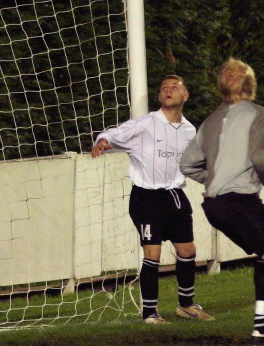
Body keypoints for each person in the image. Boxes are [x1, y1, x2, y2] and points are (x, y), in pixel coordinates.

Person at [180, 58, 264, 346]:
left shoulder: (208, 123)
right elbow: (261, 160)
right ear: (251, 83)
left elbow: (186, 164)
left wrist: (215, 178)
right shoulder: (258, 114)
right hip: (240, 203)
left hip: (215, 207)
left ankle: (260, 326)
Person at [91, 75, 214, 324]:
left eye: (174, 87)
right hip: (146, 198)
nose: (168, 90)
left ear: (185, 96)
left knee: (187, 250)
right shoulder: (146, 124)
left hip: (175, 197)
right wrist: (103, 141)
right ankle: (149, 314)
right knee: (153, 253)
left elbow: (191, 166)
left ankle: (186, 305)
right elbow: (114, 133)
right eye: (164, 87)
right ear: (159, 96)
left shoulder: (190, 130)